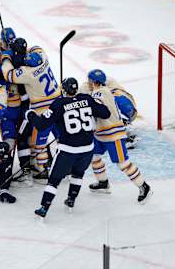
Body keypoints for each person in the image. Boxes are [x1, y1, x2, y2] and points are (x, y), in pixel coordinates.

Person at [26, 78, 111, 218]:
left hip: (68, 150)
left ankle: (44, 208)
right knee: (78, 174)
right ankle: (71, 199)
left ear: (64, 90)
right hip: (88, 149)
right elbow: (105, 113)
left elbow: (41, 125)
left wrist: (30, 115)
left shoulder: (59, 103)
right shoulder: (87, 99)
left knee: (54, 180)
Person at [86, 69, 152, 204]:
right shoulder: (102, 91)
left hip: (112, 135)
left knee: (123, 164)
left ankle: (144, 187)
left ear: (93, 81)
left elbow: (100, 111)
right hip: (100, 134)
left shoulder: (100, 93)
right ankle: (103, 183)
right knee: (94, 157)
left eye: (89, 80)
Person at [2, 38, 60, 180]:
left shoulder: (27, 73)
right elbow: (37, 47)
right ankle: (67, 164)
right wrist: (25, 50)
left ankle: (42, 170)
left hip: (42, 111)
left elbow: (8, 74)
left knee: (38, 141)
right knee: (61, 136)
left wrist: (6, 58)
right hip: (58, 104)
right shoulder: (44, 58)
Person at [80, 73, 138, 149]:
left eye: (90, 80)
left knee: (101, 101)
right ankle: (122, 126)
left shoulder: (106, 86)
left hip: (126, 108)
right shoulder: (88, 86)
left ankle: (124, 125)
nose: (88, 82)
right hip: (128, 110)